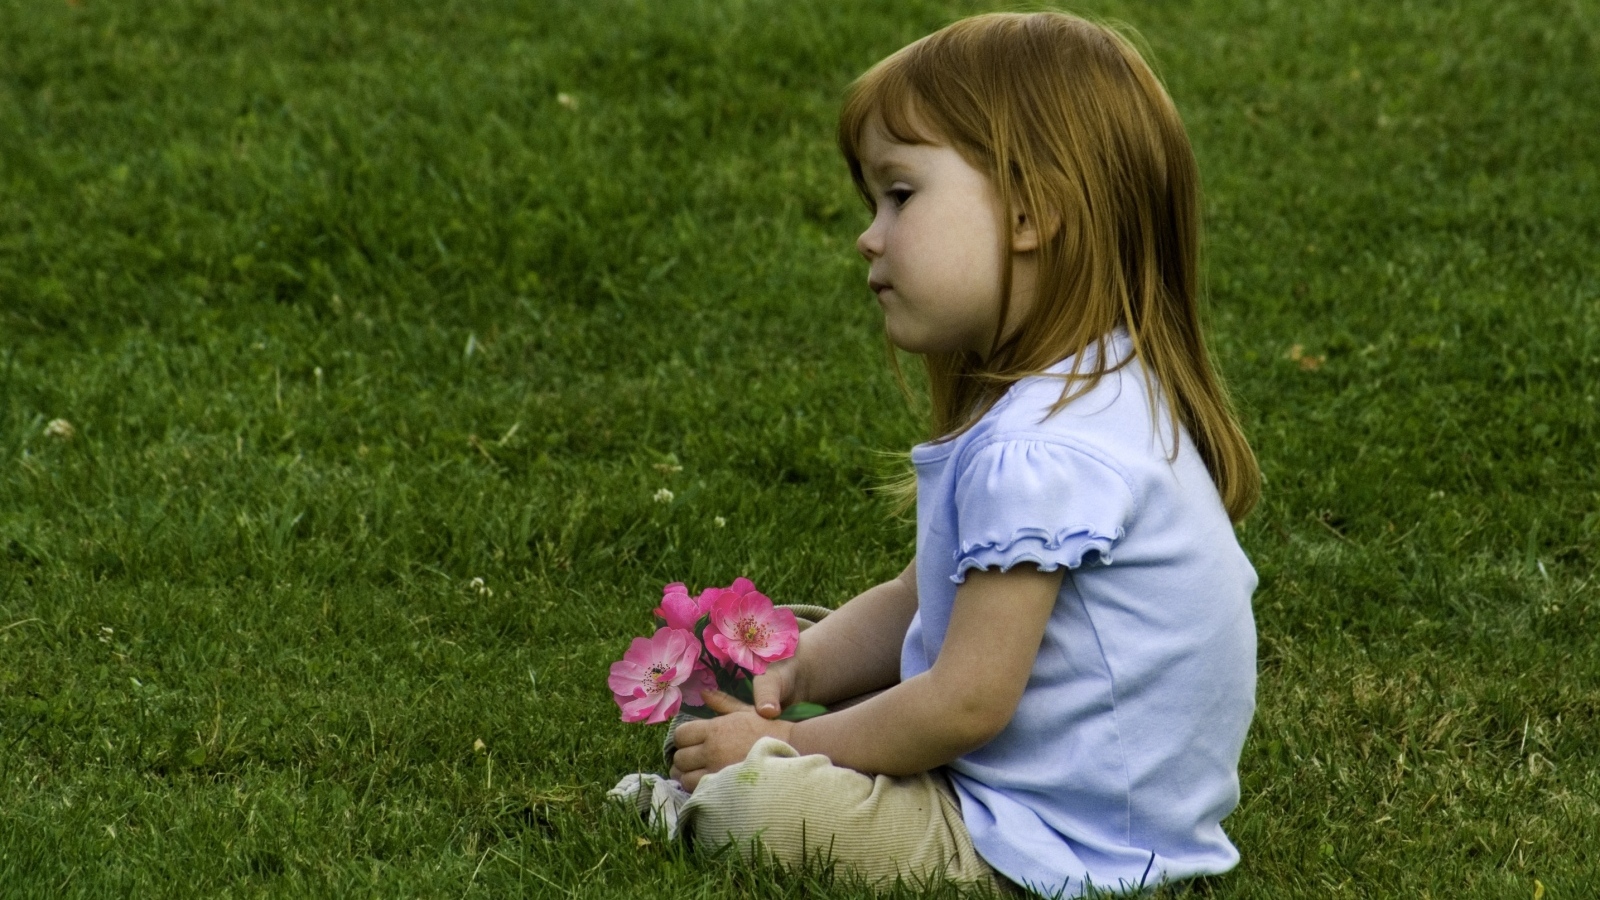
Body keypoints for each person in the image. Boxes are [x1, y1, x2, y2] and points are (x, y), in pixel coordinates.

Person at [665, 11, 1261, 897]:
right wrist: (800, 664)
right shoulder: (1097, 387)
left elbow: (968, 703)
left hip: (1048, 844)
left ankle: (700, 791)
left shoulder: (1039, 450)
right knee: (767, 655)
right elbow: (923, 595)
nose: (870, 235)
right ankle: (753, 729)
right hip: (1067, 792)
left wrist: (782, 744)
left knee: (760, 807)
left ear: (1030, 214)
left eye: (900, 195)